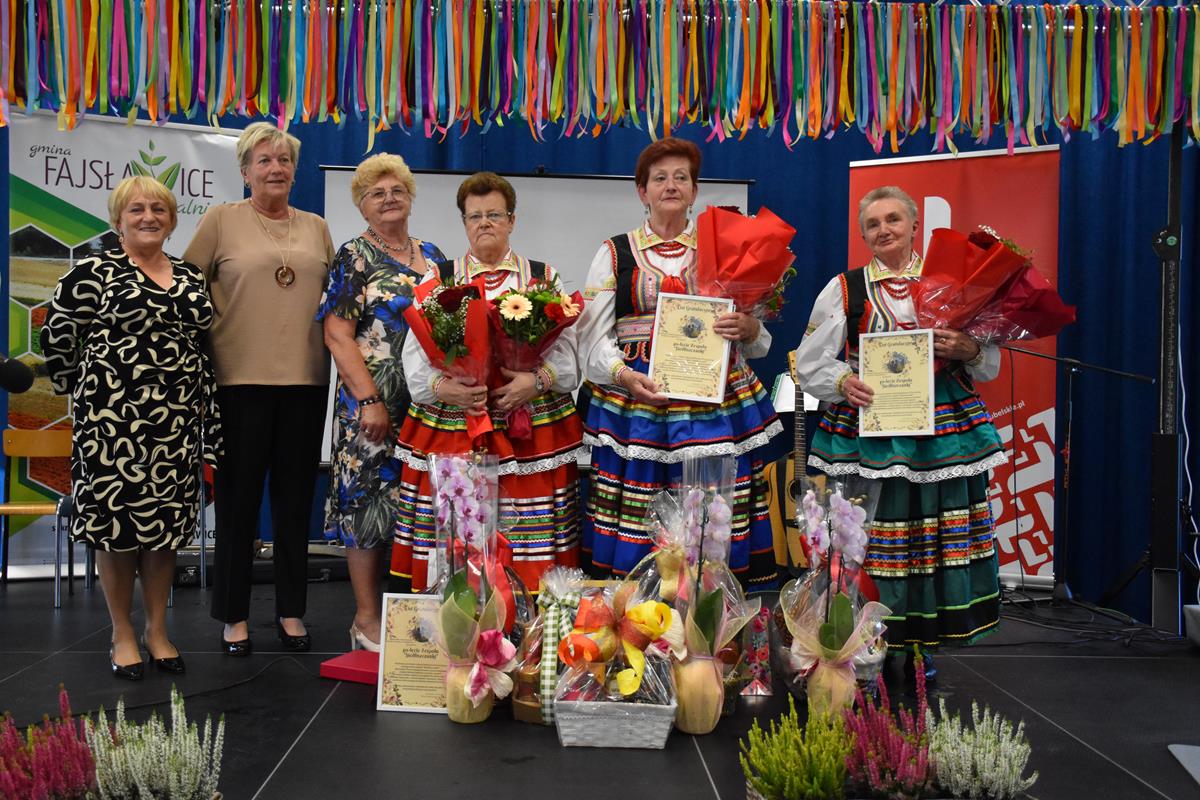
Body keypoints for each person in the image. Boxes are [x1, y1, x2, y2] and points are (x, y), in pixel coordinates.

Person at [793, 185, 1006, 680]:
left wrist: (969, 349)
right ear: (863, 234)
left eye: (893, 219)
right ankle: (868, 640)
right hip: (870, 426)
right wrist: (843, 382)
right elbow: (809, 362)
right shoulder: (845, 288)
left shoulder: (950, 283)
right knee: (873, 536)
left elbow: (989, 362)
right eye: (873, 224)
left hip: (941, 428)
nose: (884, 229)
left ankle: (919, 644)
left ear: (914, 226)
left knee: (928, 535)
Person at [576, 137, 784, 587]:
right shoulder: (615, 252)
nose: (670, 186)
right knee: (641, 511)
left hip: (713, 402)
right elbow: (591, 336)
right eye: (659, 178)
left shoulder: (724, 247)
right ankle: (639, 614)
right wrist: (623, 374)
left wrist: (749, 327)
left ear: (694, 190)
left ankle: (710, 610)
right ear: (642, 191)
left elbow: (756, 337)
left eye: (681, 178)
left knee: (710, 508)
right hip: (639, 401)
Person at [42, 176, 221, 680]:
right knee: (116, 532)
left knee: (164, 533)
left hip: (176, 425)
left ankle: (157, 631)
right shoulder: (91, 273)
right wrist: (89, 389)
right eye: (137, 209)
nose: (149, 217)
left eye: (159, 209)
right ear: (117, 220)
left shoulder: (190, 275)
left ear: (172, 219)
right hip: (110, 427)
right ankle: (122, 632)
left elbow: (204, 343)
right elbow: (58, 339)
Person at [390, 172, 583, 593]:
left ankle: (528, 617)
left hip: (529, 429)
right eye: (474, 216)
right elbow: (415, 358)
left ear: (512, 220)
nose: (484, 224)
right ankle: (458, 617)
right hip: (457, 424)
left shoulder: (542, 277)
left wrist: (536, 380)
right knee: (457, 533)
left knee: (529, 538)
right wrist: (444, 388)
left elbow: (569, 357)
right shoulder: (439, 279)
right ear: (463, 223)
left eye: (494, 215)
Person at [184, 122, 335, 655]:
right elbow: (185, 290)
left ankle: (291, 612)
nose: (276, 168)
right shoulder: (221, 220)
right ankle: (233, 617)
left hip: (306, 380)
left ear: (295, 170)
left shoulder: (316, 227)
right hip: (238, 381)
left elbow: (334, 301)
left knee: (294, 504)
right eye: (264, 161)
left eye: (284, 160)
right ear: (246, 171)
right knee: (238, 504)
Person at [318, 154, 445, 652]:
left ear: (410, 197)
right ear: (362, 206)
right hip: (371, 404)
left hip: (426, 405)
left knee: (418, 506)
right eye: (377, 193)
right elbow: (337, 334)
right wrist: (369, 399)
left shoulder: (433, 255)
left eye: (397, 190)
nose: (389, 199)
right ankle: (367, 619)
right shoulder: (354, 256)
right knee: (367, 506)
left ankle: (415, 617)